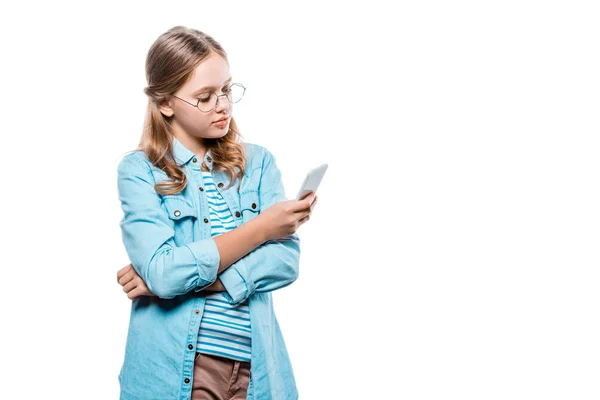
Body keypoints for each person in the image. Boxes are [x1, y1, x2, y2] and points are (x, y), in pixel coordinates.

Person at [115, 25, 317, 400]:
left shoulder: (257, 164)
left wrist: (180, 284)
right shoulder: (140, 172)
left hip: (257, 370)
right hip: (181, 371)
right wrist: (261, 230)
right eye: (205, 97)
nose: (222, 104)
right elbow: (162, 272)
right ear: (166, 103)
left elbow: (284, 261)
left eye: (226, 90)